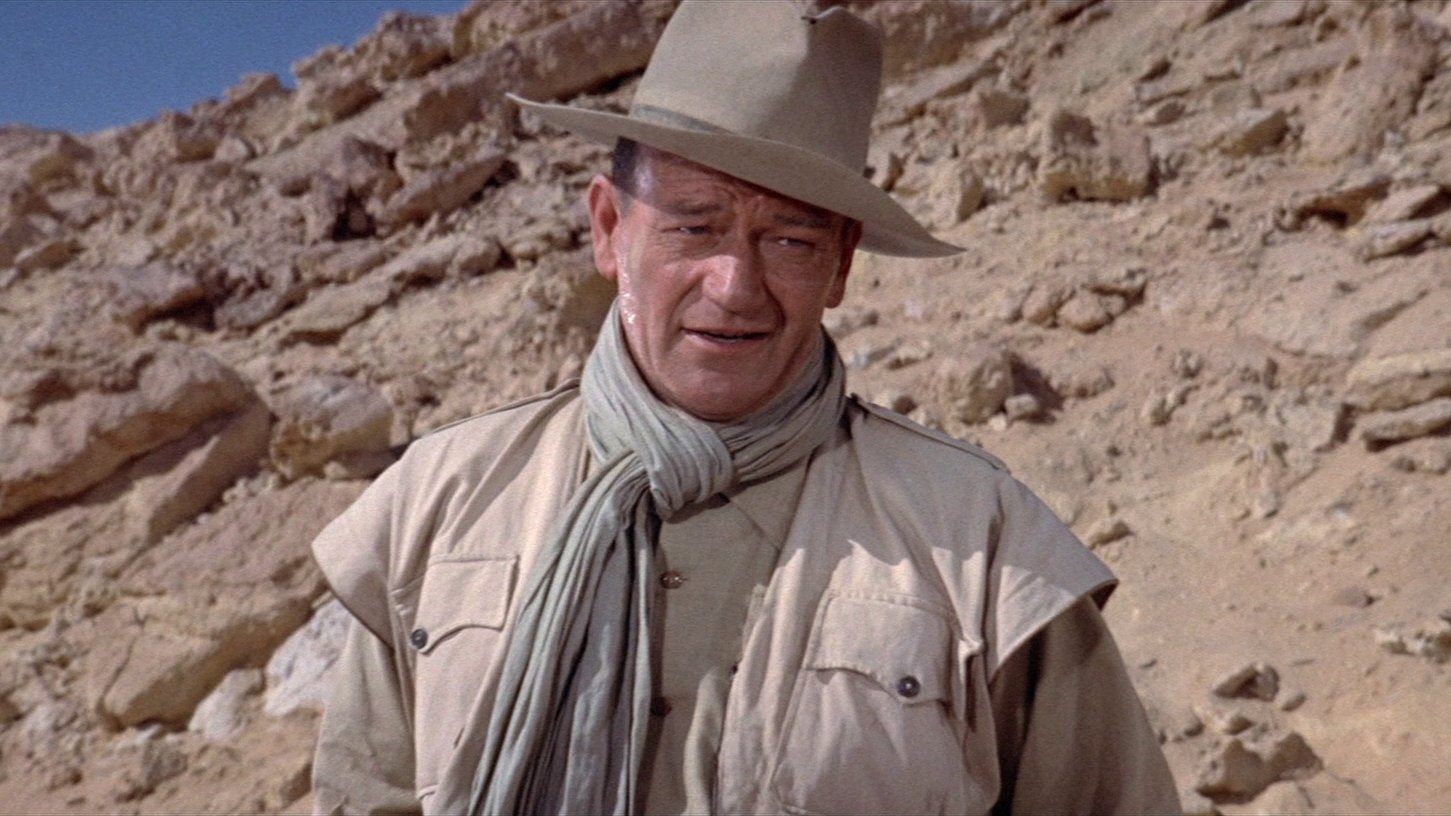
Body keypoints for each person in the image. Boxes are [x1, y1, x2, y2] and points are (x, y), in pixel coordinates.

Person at [309, 2, 1181, 814]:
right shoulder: (440, 499)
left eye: (789, 239)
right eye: (694, 225)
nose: (735, 287)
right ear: (609, 229)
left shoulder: (983, 543)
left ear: (840, 265)